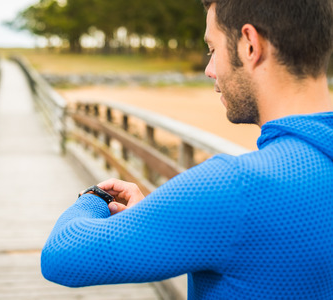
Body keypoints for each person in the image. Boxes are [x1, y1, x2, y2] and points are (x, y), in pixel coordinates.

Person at [41, 0, 333, 298]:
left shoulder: (236, 186)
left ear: (249, 45)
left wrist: (95, 197)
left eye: (212, 49)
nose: (209, 69)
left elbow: (61, 256)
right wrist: (161, 215)